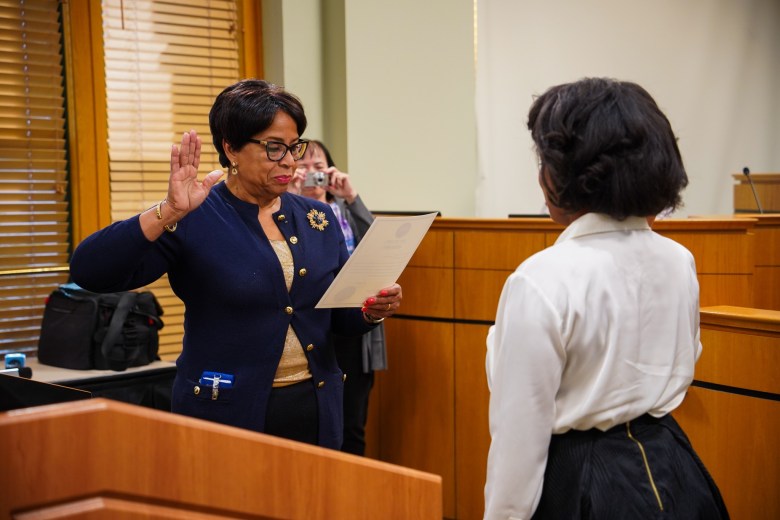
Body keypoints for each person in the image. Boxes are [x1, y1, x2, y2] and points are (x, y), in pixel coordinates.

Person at [69, 79, 402, 450]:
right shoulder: (193, 214)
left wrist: (371, 311)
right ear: (231, 148)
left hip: (316, 408)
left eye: (294, 147)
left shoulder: (316, 217)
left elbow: (336, 318)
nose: (290, 161)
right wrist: (167, 211)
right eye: (274, 148)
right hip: (224, 412)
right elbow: (89, 271)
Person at [483, 78, 729, 519]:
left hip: (582, 481)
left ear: (563, 175)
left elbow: (519, 440)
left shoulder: (542, 278)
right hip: (674, 467)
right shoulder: (679, 259)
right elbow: (686, 357)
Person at [289, 139, 387, 455]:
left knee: (352, 424)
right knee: (313, 423)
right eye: (303, 168)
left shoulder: (343, 211)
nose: (311, 175)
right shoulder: (283, 212)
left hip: (354, 328)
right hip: (312, 329)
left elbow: (381, 251)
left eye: (319, 168)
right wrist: (289, 196)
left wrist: (352, 197)